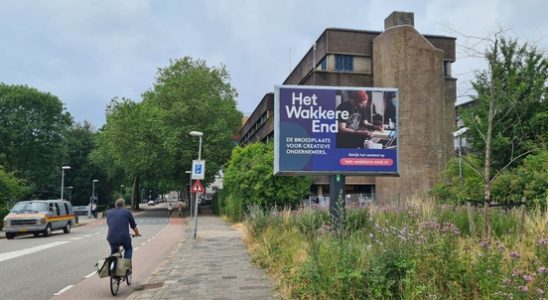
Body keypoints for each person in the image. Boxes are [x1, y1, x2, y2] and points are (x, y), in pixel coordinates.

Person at [106, 198, 141, 265]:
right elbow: (133, 226)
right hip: (124, 237)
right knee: (128, 248)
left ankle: (112, 268)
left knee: (114, 251)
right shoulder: (127, 212)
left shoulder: (109, 213)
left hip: (111, 237)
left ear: (115, 205)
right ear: (124, 205)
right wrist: (137, 234)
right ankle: (126, 266)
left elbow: (109, 224)